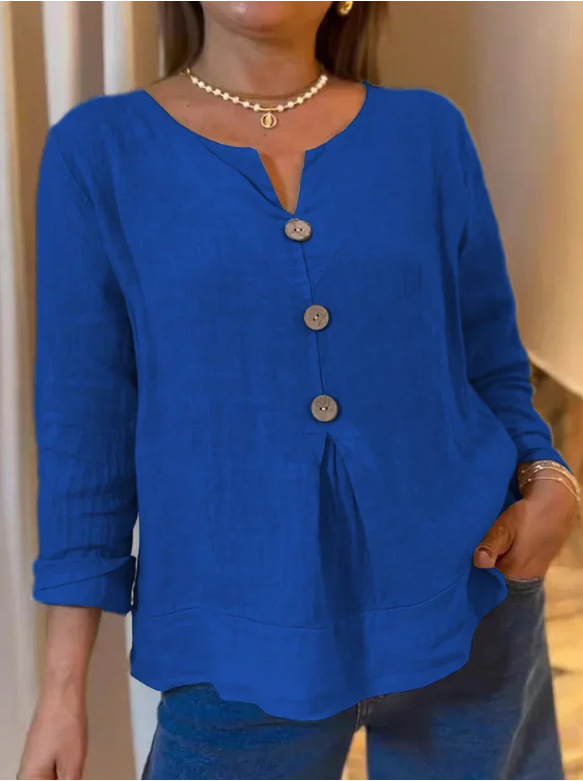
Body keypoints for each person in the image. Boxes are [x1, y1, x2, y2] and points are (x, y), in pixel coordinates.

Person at [19, 2, 580, 779]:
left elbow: (488, 360)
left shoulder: (426, 133)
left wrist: (549, 479)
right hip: (236, 634)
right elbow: (87, 426)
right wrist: (61, 690)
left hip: (467, 598)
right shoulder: (99, 151)